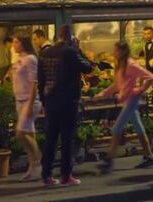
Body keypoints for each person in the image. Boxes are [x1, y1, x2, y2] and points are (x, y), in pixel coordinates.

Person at [38, 24, 93, 186]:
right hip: (68, 101)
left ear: (58, 36)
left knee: (50, 139)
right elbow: (87, 67)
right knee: (67, 138)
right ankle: (66, 175)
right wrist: (78, 48)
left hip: (51, 102)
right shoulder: (71, 52)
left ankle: (46, 175)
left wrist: (43, 100)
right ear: (70, 37)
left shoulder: (45, 53)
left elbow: (41, 80)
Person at [96, 41, 153, 172]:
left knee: (116, 128)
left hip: (131, 99)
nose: (113, 53)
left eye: (116, 50)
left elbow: (151, 77)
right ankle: (148, 156)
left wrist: (141, 90)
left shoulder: (130, 65)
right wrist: (102, 94)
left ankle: (109, 160)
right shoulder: (121, 66)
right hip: (128, 99)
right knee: (139, 128)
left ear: (123, 52)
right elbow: (117, 85)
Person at [11, 35, 42, 181]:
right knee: (29, 133)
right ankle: (33, 167)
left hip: (28, 101)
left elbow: (34, 82)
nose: (13, 44)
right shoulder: (19, 60)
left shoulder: (30, 59)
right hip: (20, 100)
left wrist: (30, 104)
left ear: (23, 44)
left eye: (16, 42)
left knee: (20, 132)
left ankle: (37, 163)